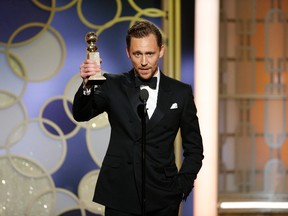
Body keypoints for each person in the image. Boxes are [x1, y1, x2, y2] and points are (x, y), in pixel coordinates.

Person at [72, 21, 204, 216]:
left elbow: (194, 148)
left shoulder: (180, 93)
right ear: (128, 52)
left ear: (161, 51)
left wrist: (182, 186)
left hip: (164, 196)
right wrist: (86, 85)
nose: (143, 62)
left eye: (149, 54)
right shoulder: (112, 85)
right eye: (137, 54)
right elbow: (81, 114)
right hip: (120, 194)